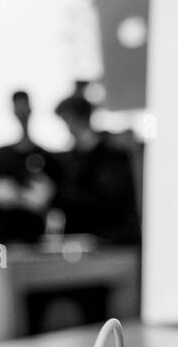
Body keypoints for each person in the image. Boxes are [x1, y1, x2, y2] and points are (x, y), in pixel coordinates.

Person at [50, 93, 140, 245]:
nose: (68, 129)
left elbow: (109, 202)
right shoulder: (72, 158)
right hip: (80, 239)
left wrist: (56, 196)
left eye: (68, 121)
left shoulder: (112, 155)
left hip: (109, 240)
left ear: (80, 119)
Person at [0, 91, 59, 244]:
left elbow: (50, 200)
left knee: (32, 268)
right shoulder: (0, 155)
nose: (22, 113)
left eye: (24, 107)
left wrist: (22, 197)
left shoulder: (45, 156)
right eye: (18, 108)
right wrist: (0, 192)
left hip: (34, 240)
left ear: (31, 109)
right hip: (1, 240)